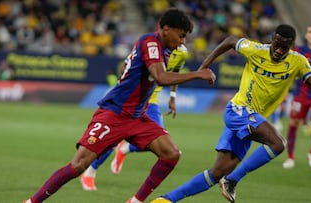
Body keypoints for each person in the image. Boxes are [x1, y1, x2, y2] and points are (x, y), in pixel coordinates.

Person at [22, 8, 216, 203]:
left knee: (171, 154)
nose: (182, 41)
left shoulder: (162, 49)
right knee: (79, 165)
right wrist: (198, 74)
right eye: (181, 35)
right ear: (166, 29)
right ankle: (32, 202)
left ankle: (136, 201)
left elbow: (127, 67)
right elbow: (160, 77)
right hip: (114, 114)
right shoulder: (151, 42)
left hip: (137, 116)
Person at [150, 24, 311, 203]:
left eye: (284, 48)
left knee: (217, 172)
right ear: (272, 39)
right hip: (238, 111)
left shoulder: (299, 61)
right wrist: (204, 66)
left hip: (252, 121)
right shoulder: (256, 50)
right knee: (278, 144)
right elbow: (231, 41)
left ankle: (166, 200)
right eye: (276, 44)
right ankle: (232, 179)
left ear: (291, 47)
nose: (279, 50)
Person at [81, 45, 188, 191]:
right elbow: (126, 66)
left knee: (162, 143)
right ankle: (89, 172)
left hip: (152, 102)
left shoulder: (182, 53)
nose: (181, 39)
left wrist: (172, 97)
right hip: (133, 100)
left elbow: (175, 72)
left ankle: (125, 149)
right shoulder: (150, 45)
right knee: (112, 139)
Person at [282, 25, 311, 169]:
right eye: (310, 31)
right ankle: (290, 157)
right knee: (293, 124)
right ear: (306, 35)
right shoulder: (299, 52)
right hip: (301, 95)